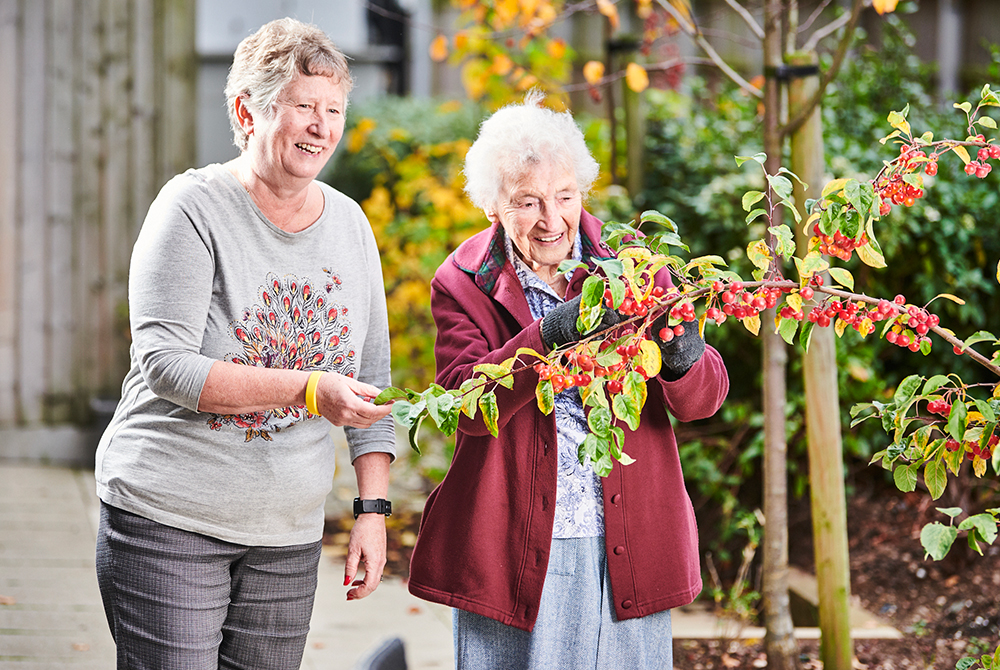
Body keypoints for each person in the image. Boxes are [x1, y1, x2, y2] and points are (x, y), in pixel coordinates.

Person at [94, 18, 396, 670]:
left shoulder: (350, 224)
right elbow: (167, 366)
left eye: (333, 109)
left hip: (286, 536)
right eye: (302, 107)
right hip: (169, 519)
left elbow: (374, 379)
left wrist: (373, 510)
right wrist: (308, 388)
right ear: (246, 110)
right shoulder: (192, 208)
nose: (321, 125)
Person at [406, 93, 730, 669]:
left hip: (629, 533)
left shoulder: (634, 267)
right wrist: (550, 335)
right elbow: (462, 406)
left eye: (565, 197)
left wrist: (684, 357)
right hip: (515, 538)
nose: (552, 220)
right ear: (493, 207)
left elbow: (702, 400)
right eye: (528, 202)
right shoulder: (460, 281)